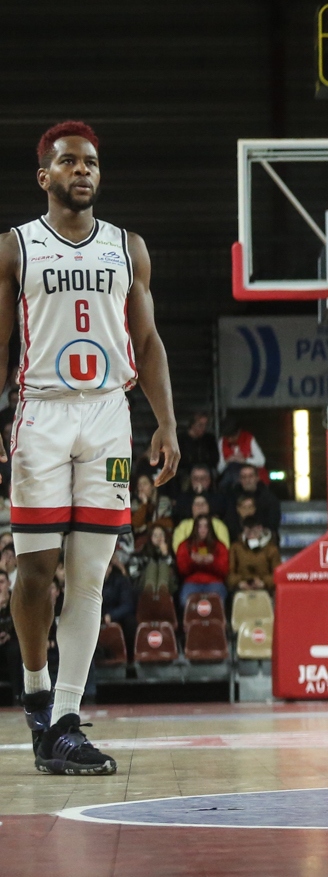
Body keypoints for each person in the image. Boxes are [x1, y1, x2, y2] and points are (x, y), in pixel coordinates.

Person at [2, 122, 180, 776]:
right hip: (40, 413)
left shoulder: (128, 247)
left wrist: (165, 421)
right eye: (68, 162)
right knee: (35, 573)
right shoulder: (16, 248)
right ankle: (36, 691)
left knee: (89, 572)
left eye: (91, 162)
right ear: (44, 175)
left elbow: (150, 339)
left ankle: (67, 720)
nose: (82, 170)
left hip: (109, 414)